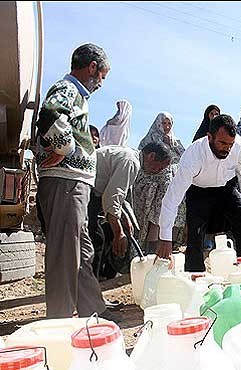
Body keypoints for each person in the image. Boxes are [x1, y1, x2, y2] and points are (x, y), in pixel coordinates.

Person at [34, 43, 112, 319]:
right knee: (64, 256)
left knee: (80, 252)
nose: (102, 82)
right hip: (65, 183)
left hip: (74, 184)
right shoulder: (67, 89)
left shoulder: (78, 95)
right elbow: (50, 114)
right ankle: (60, 320)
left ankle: (93, 310)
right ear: (92, 67)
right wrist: (63, 149)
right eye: (103, 74)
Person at [157, 114, 241, 271]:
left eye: (230, 144)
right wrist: (165, 237)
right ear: (209, 137)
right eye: (223, 143)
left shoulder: (237, 145)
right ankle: (195, 275)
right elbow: (172, 198)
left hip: (226, 189)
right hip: (199, 191)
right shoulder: (193, 156)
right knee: (195, 234)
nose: (227, 148)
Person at [88, 143, 171, 279]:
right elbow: (112, 198)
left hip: (94, 193)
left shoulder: (132, 158)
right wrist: (119, 233)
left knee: (107, 233)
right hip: (86, 190)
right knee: (97, 238)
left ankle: (103, 277)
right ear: (151, 156)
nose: (158, 171)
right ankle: (90, 288)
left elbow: (119, 198)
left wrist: (125, 218)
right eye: (160, 167)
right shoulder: (131, 161)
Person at [133, 112, 187, 252]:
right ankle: (148, 250)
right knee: (151, 217)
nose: (167, 126)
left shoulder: (176, 142)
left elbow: (183, 159)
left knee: (167, 213)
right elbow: (142, 161)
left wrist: (172, 146)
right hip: (149, 185)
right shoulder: (149, 140)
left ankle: (166, 247)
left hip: (169, 182)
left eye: (169, 123)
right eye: (164, 123)